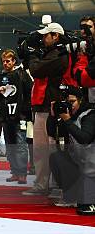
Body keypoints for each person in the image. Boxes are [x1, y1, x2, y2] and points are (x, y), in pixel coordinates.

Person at [22, 22, 76, 196]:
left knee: (49, 148)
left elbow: (36, 69)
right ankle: (44, 184)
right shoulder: (51, 53)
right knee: (44, 148)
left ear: (56, 36)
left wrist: (31, 54)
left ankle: (50, 184)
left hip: (51, 107)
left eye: (46, 35)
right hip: (44, 106)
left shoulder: (59, 54)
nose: (42, 39)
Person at [48, 87, 95, 213]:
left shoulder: (90, 115)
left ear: (80, 101)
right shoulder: (68, 116)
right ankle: (71, 196)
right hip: (80, 164)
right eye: (67, 102)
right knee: (56, 157)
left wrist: (68, 120)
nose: (70, 105)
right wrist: (53, 117)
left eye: (72, 102)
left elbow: (84, 138)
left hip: (92, 167)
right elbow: (52, 133)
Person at [0, 49, 33, 184]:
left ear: (14, 61)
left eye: (8, 61)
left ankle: (22, 174)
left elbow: (30, 93)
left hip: (19, 117)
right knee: (10, 146)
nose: (5, 63)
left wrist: (24, 112)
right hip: (5, 117)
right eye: (3, 61)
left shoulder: (22, 74)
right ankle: (15, 172)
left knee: (21, 145)